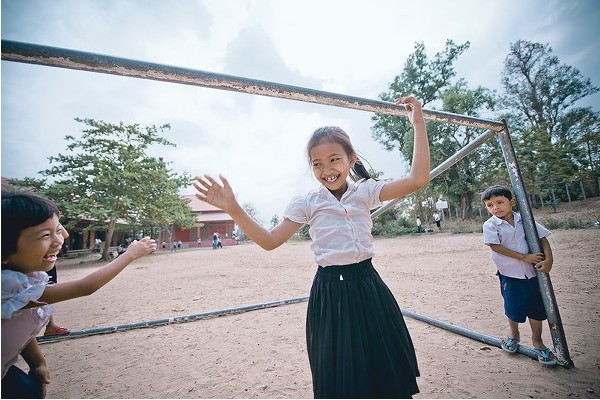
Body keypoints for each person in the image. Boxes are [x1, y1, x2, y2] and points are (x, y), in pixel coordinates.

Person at [194, 96, 429, 398]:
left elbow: (418, 179)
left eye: (334, 159)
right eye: (317, 164)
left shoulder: (366, 192)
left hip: (369, 286)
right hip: (331, 293)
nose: (327, 169)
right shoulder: (307, 202)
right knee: (342, 374)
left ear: (351, 159)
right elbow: (270, 241)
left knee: (384, 369)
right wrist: (234, 209)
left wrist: (418, 123)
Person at [1, 190, 157, 398]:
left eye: (58, 230)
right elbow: (87, 286)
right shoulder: (7, 286)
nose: (59, 239)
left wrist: (38, 363)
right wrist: (130, 254)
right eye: (45, 235)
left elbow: (18, 324)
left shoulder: (27, 279)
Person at [481, 185, 557, 366]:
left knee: (536, 309)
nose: (495, 208)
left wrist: (549, 260)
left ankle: (537, 340)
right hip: (510, 275)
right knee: (513, 307)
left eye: (500, 202)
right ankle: (514, 334)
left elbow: (542, 239)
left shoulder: (525, 220)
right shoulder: (490, 225)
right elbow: (495, 246)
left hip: (532, 274)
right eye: (490, 205)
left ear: (512, 202)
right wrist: (524, 257)